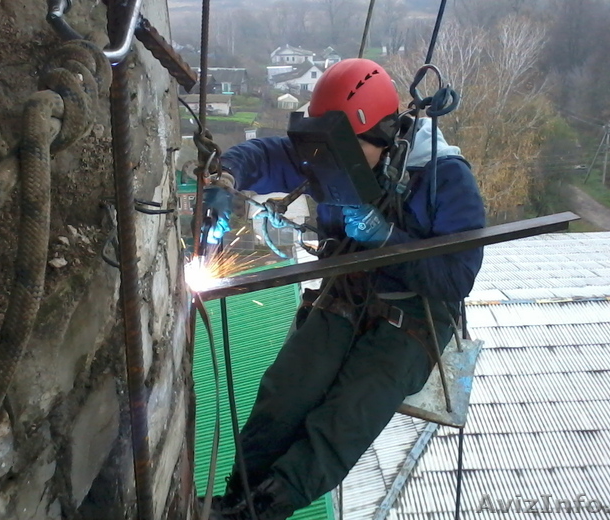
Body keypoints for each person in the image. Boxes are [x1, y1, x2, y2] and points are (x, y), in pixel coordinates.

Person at [201, 58, 485, 520]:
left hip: (416, 315)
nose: (330, 163)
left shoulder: (444, 177)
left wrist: (388, 240)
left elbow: (457, 278)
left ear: (383, 135)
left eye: (344, 151)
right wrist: (226, 179)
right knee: (285, 394)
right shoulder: (331, 152)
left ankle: (263, 510)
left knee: (344, 419)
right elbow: (267, 156)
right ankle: (237, 494)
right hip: (349, 292)